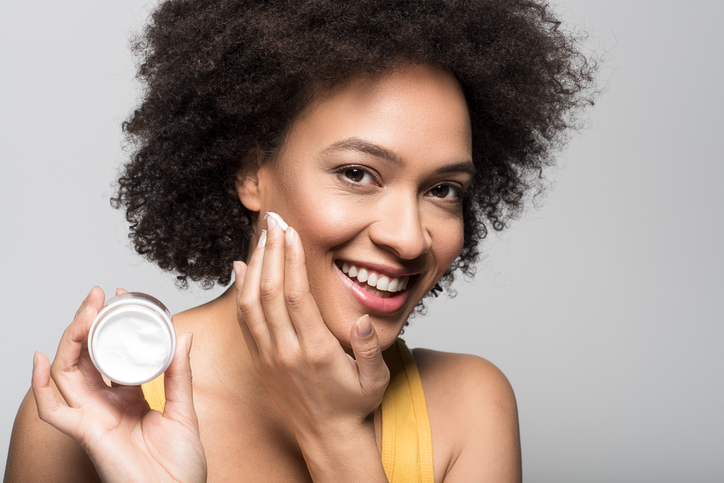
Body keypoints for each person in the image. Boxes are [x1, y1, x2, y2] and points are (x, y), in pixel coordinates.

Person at [5, 0, 596, 481]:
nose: (411, 238)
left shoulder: (470, 410)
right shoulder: (85, 415)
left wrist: (337, 440)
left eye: (442, 189)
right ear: (251, 173)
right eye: (357, 174)